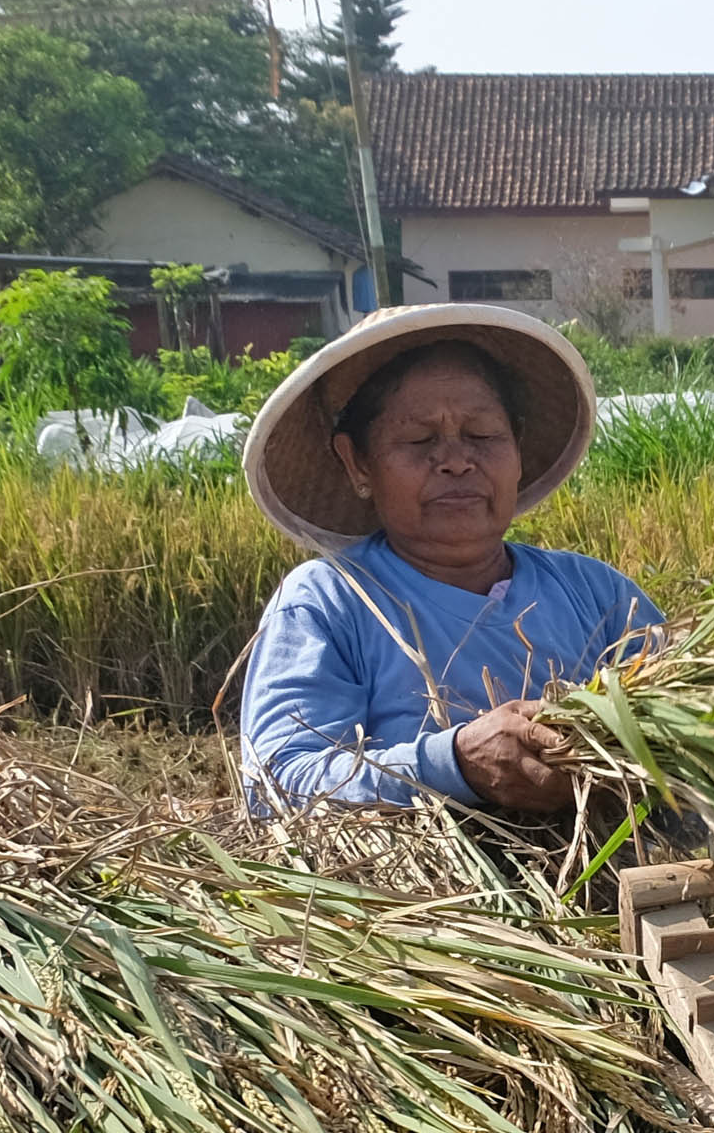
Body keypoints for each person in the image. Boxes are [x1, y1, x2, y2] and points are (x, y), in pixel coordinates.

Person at [234, 302, 662, 814]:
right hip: (417, 868)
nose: (457, 462)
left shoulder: (598, 594)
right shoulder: (329, 604)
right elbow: (277, 785)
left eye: (482, 436)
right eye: (420, 440)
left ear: (517, 445)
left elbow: (696, 716)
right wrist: (453, 764)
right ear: (358, 462)